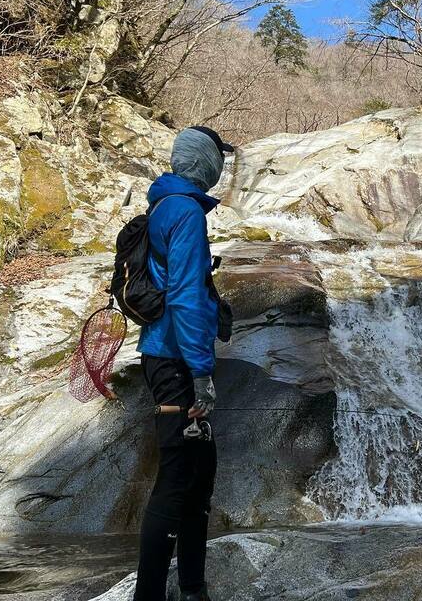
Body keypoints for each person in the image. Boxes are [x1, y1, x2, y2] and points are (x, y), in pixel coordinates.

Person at [133, 126, 234, 601]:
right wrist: (201, 373)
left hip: (164, 353)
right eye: (218, 159)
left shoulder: (165, 203)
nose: (221, 168)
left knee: (198, 478)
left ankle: (193, 589)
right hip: (177, 361)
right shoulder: (187, 211)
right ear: (204, 163)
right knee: (178, 482)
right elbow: (188, 296)